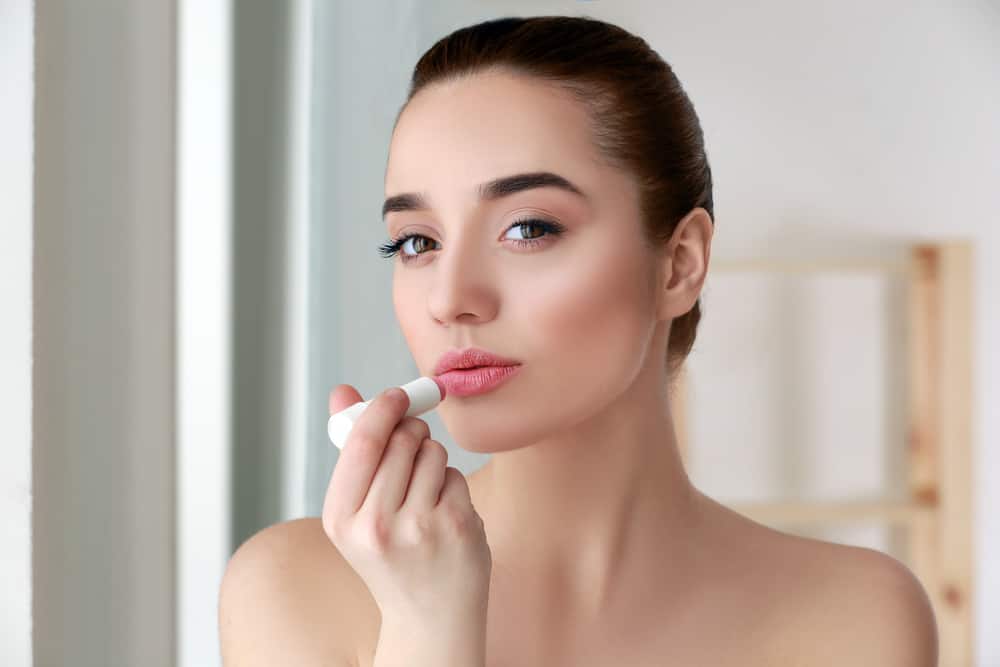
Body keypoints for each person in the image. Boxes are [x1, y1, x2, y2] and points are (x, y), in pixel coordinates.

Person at [219, 15, 937, 666]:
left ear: (679, 263)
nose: (451, 298)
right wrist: (426, 620)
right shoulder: (292, 590)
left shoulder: (857, 618)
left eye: (529, 228)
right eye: (416, 241)